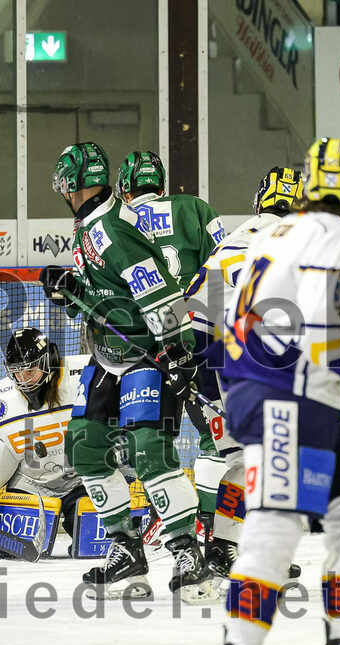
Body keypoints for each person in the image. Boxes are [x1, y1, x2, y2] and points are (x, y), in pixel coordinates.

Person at [39, 141, 215, 601]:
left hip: (147, 353)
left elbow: (157, 289)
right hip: (107, 354)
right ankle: (126, 548)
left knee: (149, 451)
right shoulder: (89, 225)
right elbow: (105, 295)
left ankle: (188, 556)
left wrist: (175, 350)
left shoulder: (112, 226)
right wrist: (70, 290)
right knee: (85, 447)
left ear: (71, 184)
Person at [215, 138, 340, 645]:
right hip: (298, 394)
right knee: (276, 524)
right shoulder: (333, 236)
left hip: (263, 389)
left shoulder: (272, 233)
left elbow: (216, 314)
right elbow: (324, 331)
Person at [183, 167, 304, 578]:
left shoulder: (236, 237)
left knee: (243, 457)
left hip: (207, 352)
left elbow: (196, 301)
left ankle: (224, 548)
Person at [115, 150, 230, 574]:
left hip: (148, 347)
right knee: (217, 441)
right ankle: (216, 535)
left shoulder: (120, 221)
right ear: (161, 183)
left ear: (125, 189)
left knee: (152, 442)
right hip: (198, 337)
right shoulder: (196, 208)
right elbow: (222, 269)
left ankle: (160, 522)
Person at [0, 328, 89, 539]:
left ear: (48, 362)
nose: (23, 379)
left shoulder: (85, 375)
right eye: (17, 372)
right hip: (30, 485)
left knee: (91, 536)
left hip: (82, 480)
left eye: (30, 370)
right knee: (9, 541)